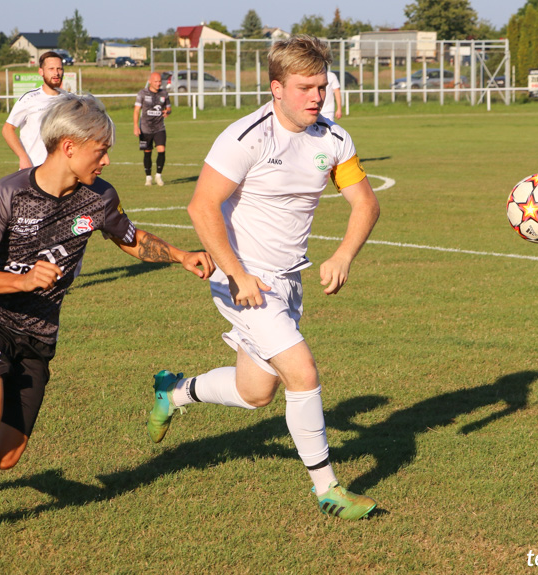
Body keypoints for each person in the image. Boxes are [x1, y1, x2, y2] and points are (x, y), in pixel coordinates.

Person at [0, 93, 215, 555]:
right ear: (69, 147)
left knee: (4, 455)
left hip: (39, 334)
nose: (107, 157)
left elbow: (130, 237)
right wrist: (19, 280)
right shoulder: (8, 193)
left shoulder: (100, 197)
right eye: (100, 149)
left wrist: (181, 256)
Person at [147, 36, 381, 520]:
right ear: (276, 88)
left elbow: (366, 203)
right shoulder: (246, 136)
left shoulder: (334, 139)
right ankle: (328, 490)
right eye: (305, 88)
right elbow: (201, 206)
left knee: (257, 393)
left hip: (288, 282)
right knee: (303, 372)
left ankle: (173, 392)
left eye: (321, 86)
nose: (316, 97)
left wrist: (343, 254)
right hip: (243, 280)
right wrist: (237, 274)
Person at [2, 51, 65, 169]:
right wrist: (23, 157)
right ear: (41, 71)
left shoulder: (69, 100)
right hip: (33, 170)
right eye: (51, 69)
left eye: (59, 69)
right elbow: (7, 129)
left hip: (61, 171)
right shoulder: (29, 99)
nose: (56, 73)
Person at [133, 72, 171, 186]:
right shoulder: (142, 93)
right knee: (147, 152)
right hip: (145, 128)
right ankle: (148, 177)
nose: (158, 83)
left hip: (159, 127)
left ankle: (158, 175)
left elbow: (169, 108)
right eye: (156, 81)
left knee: (161, 150)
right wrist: (136, 126)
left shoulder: (164, 93)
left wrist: (167, 112)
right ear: (150, 81)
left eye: (160, 81)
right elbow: (136, 110)